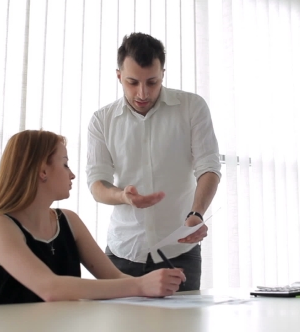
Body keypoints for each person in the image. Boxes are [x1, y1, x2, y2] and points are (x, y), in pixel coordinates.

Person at [0, 130, 185, 306]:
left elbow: (115, 278)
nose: (72, 174)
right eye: (65, 164)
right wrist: (140, 285)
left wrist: (155, 287)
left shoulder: (68, 220)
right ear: (42, 171)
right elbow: (50, 288)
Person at [86, 32, 221, 291]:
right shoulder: (101, 120)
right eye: (132, 82)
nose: (143, 93)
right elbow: (97, 184)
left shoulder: (192, 107)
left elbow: (209, 167)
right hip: (122, 252)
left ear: (163, 75)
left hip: (179, 250)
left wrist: (196, 214)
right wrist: (123, 196)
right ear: (118, 77)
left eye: (152, 82)